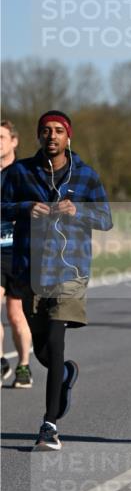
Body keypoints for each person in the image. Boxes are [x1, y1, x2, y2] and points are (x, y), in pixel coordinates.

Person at [1, 111, 112, 450]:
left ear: (68, 137)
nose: (52, 136)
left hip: (70, 271)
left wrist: (79, 211)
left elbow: (106, 218)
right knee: (44, 352)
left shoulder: (86, 176)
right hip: (31, 269)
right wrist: (25, 208)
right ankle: (63, 373)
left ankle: (49, 426)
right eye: (46, 131)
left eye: (58, 131)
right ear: (38, 136)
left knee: (56, 339)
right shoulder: (20, 172)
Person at [1, 120, 33, 387]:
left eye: (1, 137)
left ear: (14, 141)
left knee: (15, 314)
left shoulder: (24, 173)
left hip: (19, 251)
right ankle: (1, 360)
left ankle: (23, 365)